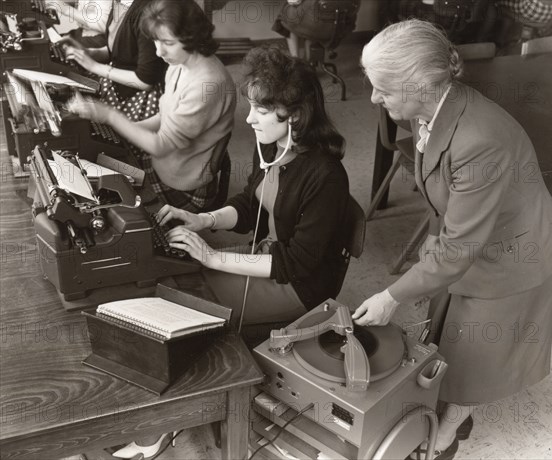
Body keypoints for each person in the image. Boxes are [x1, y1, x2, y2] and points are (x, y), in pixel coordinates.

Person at [355, 19, 552, 460]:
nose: (373, 98)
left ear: (418, 84)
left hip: (511, 252)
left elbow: (461, 248)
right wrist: (429, 262)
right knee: (447, 329)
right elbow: (440, 201)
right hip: (472, 236)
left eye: (383, 89)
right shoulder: (430, 110)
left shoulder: (478, 139)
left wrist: (392, 295)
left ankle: (449, 429)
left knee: (474, 355)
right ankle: (449, 405)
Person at [157, 45, 350, 328]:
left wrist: (212, 256)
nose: (249, 119)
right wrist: (203, 219)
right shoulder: (270, 147)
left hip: (297, 283)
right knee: (181, 276)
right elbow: (250, 204)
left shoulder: (326, 177)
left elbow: (295, 263)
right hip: (265, 255)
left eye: (261, 110)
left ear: (294, 115)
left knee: (188, 309)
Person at [67, 0, 236, 213]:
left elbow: (160, 145)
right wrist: (127, 129)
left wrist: (110, 117)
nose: (159, 52)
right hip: (161, 165)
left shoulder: (207, 85)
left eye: (167, 42)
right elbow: (164, 117)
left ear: (192, 36)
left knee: (107, 206)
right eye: (156, 41)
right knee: (96, 168)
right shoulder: (181, 63)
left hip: (181, 186)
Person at [60, 0, 167, 122]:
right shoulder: (120, 3)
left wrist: (94, 66)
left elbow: (145, 81)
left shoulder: (147, 12)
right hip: (115, 88)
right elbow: (119, 49)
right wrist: (88, 53)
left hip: (137, 101)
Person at [272, 0, 359, 58]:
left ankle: (296, 61)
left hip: (320, 26)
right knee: (310, 13)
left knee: (286, 13)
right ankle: (309, 63)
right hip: (343, 24)